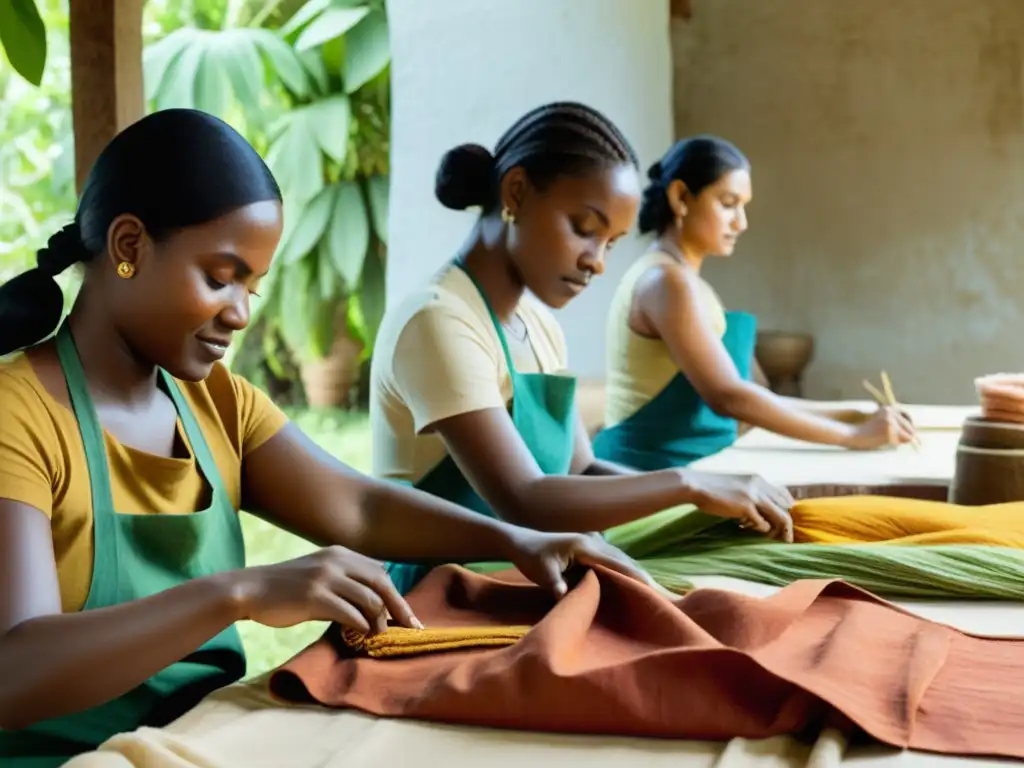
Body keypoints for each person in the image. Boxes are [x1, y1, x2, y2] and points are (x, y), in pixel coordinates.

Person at [0, 109, 659, 767]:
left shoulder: (216, 403)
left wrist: (517, 541)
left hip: (198, 741)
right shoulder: (17, 415)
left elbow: (360, 509)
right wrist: (242, 592)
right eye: (220, 276)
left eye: (253, 286)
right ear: (128, 246)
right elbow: (15, 670)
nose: (240, 313)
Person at [370, 102, 797, 597]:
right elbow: (525, 498)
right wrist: (686, 483)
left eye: (611, 242)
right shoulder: (438, 319)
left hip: (529, 573)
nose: (596, 263)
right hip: (441, 596)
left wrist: (704, 505)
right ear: (516, 192)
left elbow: (582, 470)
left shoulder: (538, 325)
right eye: (584, 228)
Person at [592, 136, 918, 471]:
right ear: (681, 197)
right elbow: (729, 396)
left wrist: (856, 415)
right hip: (648, 477)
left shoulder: (685, 283)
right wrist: (852, 436)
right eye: (728, 203)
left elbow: (759, 398)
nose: (741, 222)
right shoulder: (666, 282)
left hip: (689, 474)